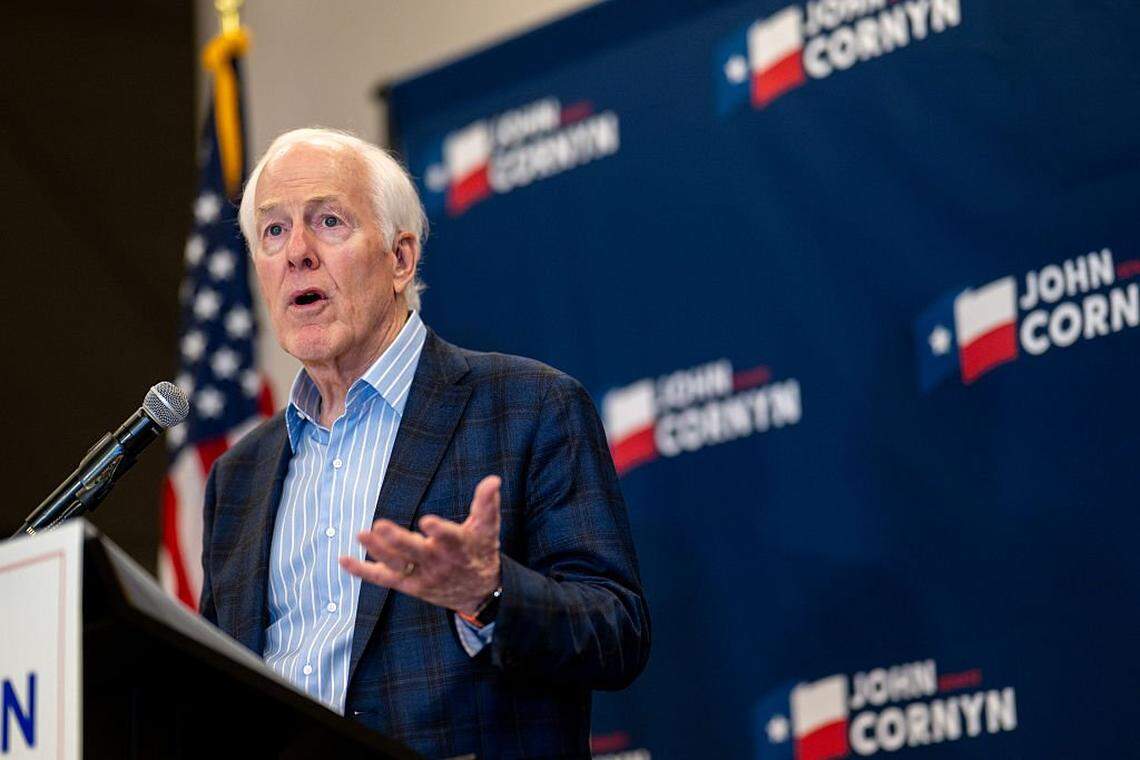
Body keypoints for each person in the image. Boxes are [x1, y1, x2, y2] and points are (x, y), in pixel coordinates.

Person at [199, 127, 650, 759]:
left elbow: (616, 632)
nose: (296, 251)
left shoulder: (528, 407)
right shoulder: (238, 477)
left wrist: (486, 593)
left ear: (400, 259)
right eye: (273, 231)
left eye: (328, 221)